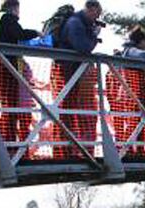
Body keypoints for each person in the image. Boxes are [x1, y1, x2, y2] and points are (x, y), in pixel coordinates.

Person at [0, 0, 40, 155]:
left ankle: (7, 144)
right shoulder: (8, 18)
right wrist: (37, 33)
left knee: (5, 107)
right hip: (5, 66)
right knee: (10, 107)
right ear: (14, 8)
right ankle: (9, 147)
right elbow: (19, 34)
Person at [51, 0, 103, 159]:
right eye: (96, 14)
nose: (97, 18)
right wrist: (94, 35)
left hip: (70, 72)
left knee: (68, 111)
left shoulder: (79, 23)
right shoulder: (75, 23)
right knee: (65, 112)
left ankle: (68, 151)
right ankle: (63, 153)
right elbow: (83, 48)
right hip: (66, 71)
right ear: (89, 9)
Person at [109, 25, 145, 156]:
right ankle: (126, 149)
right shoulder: (132, 50)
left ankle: (136, 148)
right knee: (135, 121)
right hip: (134, 92)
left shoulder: (125, 51)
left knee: (137, 121)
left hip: (131, 91)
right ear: (141, 41)